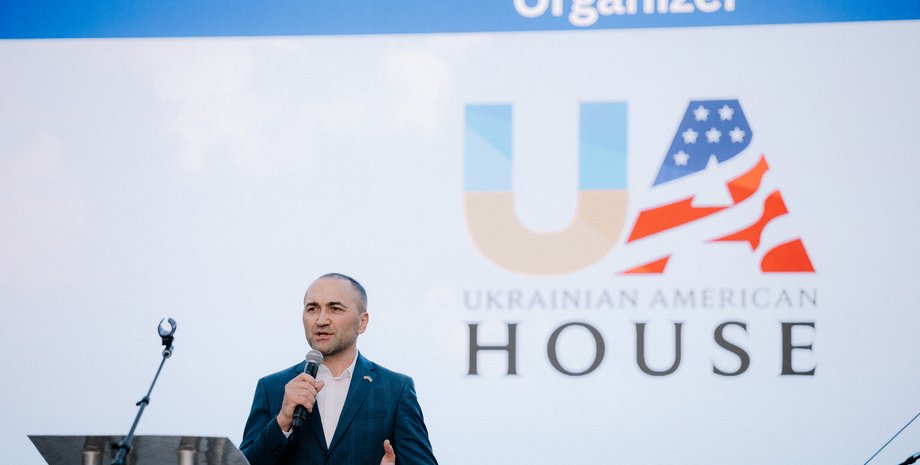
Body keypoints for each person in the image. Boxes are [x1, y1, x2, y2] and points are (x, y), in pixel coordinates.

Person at [241, 273, 438, 465]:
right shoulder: (272, 388)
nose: (321, 320)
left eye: (335, 309)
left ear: (362, 322)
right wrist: (282, 420)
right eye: (312, 308)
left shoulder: (395, 389)